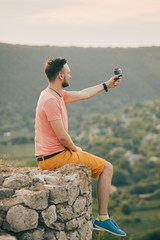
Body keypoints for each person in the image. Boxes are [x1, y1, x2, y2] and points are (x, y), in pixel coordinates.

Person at [35, 58, 126, 237]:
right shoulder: (51, 100)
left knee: (99, 164)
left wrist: (106, 84)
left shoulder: (54, 94)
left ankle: (102, 218)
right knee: (107, 167)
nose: (71, 74)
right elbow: (61, 136)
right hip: (55, 157)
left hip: (49, 156)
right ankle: (103, 218)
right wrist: (75, 149)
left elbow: (84, 93)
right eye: (68, 72)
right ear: (61, 75)